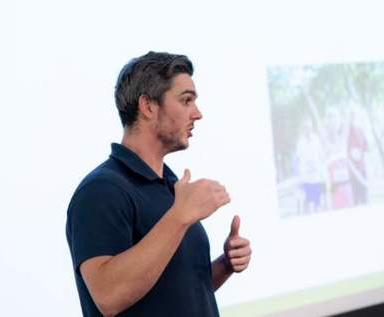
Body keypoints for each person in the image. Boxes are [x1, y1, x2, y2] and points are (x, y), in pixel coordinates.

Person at [65, 51, 252, 317]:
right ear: (148, 106)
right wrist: (179, 217)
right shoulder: (101, 191)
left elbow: (172, 294)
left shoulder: (170, 184)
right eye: (186, 100)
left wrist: (225, 264)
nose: (197, 114)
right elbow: (108, 295)